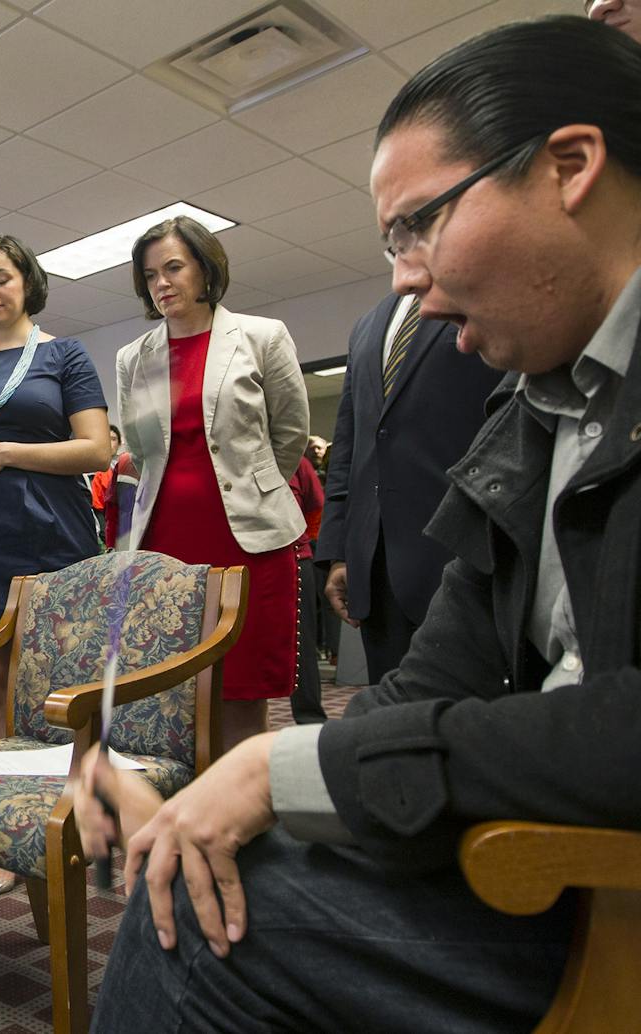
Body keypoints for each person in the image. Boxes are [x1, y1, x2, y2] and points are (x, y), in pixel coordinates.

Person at [75, 17, 641, 1031]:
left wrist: (281, 763)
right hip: (545, 836)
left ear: (568, 165)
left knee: (201, 921)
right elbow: (437, 678)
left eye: (415, 224)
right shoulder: (532, 410)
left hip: (603, 882)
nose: (403, 280)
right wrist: (235, 789)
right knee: (197, 860)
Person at [0, 234, 111, 896]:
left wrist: (7, 451)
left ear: (27, 283)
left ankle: (74, 818)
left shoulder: (65, 356)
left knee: (58, 696)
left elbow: (94, 451)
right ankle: (4, 834)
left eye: (0, 278)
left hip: (52, 541)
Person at [116, 216, 309, 749]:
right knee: (173, 689)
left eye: (173, 267)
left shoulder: (261, 337)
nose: (161, 283)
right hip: (166, 541)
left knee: (243, 691)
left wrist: (256, 486)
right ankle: (185, 811)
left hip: (248, 539)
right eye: (150, 274)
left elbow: (290, 433)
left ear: (205, 268)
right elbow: (140, 448)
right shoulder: (133, 358)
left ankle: (244, 816)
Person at [316, 292, 502, 684]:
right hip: (376, 567)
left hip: (463, 553)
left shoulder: (483, 292)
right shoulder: (367, 326)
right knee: (392, 721)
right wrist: (339, 552)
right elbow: (350, 447)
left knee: (469, 722)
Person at [288, 456, 326, 724]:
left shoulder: (298, 464)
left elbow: (317, 506)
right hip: (237, 561)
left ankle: (310, 720)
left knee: (300, 645)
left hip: (295, 559)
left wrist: (305, 539)